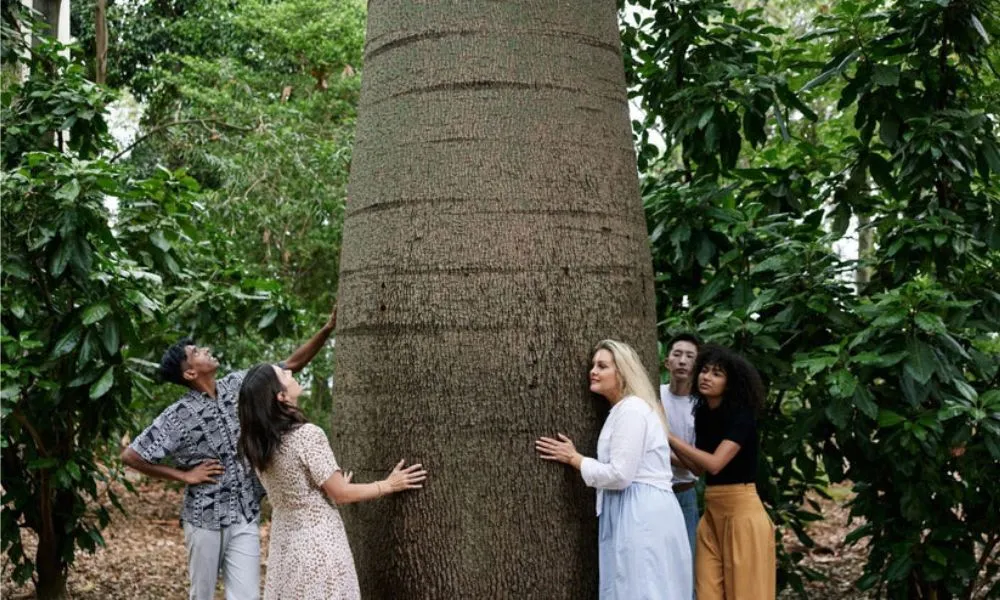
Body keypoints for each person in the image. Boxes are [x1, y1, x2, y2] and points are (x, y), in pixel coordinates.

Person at [121, 310, 338, 600]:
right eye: (196, 351)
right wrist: (184, 475)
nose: (205, 350)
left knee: (247, 596)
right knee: (203, 595)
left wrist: (327, 328)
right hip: (204, 518)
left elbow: (291, 364)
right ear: (190, 373)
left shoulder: (238, 386)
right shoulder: (177, 417)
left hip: (245, 514)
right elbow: (131, 455)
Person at [237, 363, 427, 600]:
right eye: (284, 374)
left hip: (285, 546)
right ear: (281, 396)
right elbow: (340, 494)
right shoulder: (307, 435)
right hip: (319, 546)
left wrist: (334, 483)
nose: (291, 373)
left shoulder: (257, 444)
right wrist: (388, 485)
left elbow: (301, 486)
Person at [535, 340, 692, 600]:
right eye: (593, 365)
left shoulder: (632, 410)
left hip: (640, 511)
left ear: (622, 373)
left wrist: (575, 458)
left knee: (642, 588)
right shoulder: (626, 409)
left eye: (602, 366)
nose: (593, 371)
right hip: (638, 507)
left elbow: (620, 475)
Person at [667, 344, 776, 600]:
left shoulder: (742, 415)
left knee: (746, 594)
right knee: (707, 592)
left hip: (742, 514)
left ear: (730, 383)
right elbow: (697, 467)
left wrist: (669, 436)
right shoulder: (703, 414)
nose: (706, 377)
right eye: (704, 371)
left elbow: (715, 463)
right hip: (713, 512)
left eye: (717, 373)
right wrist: (658, 450)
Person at [660, 333, 701, 561]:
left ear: (696, 364)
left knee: (686, 564)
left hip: (684, 493)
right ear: (667, 362)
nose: (682, 361)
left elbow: (697, 466)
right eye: (677, 354)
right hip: (654, 491)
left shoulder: (700, 406)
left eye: (689, 356)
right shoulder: (655, 395)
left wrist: (661, 450)